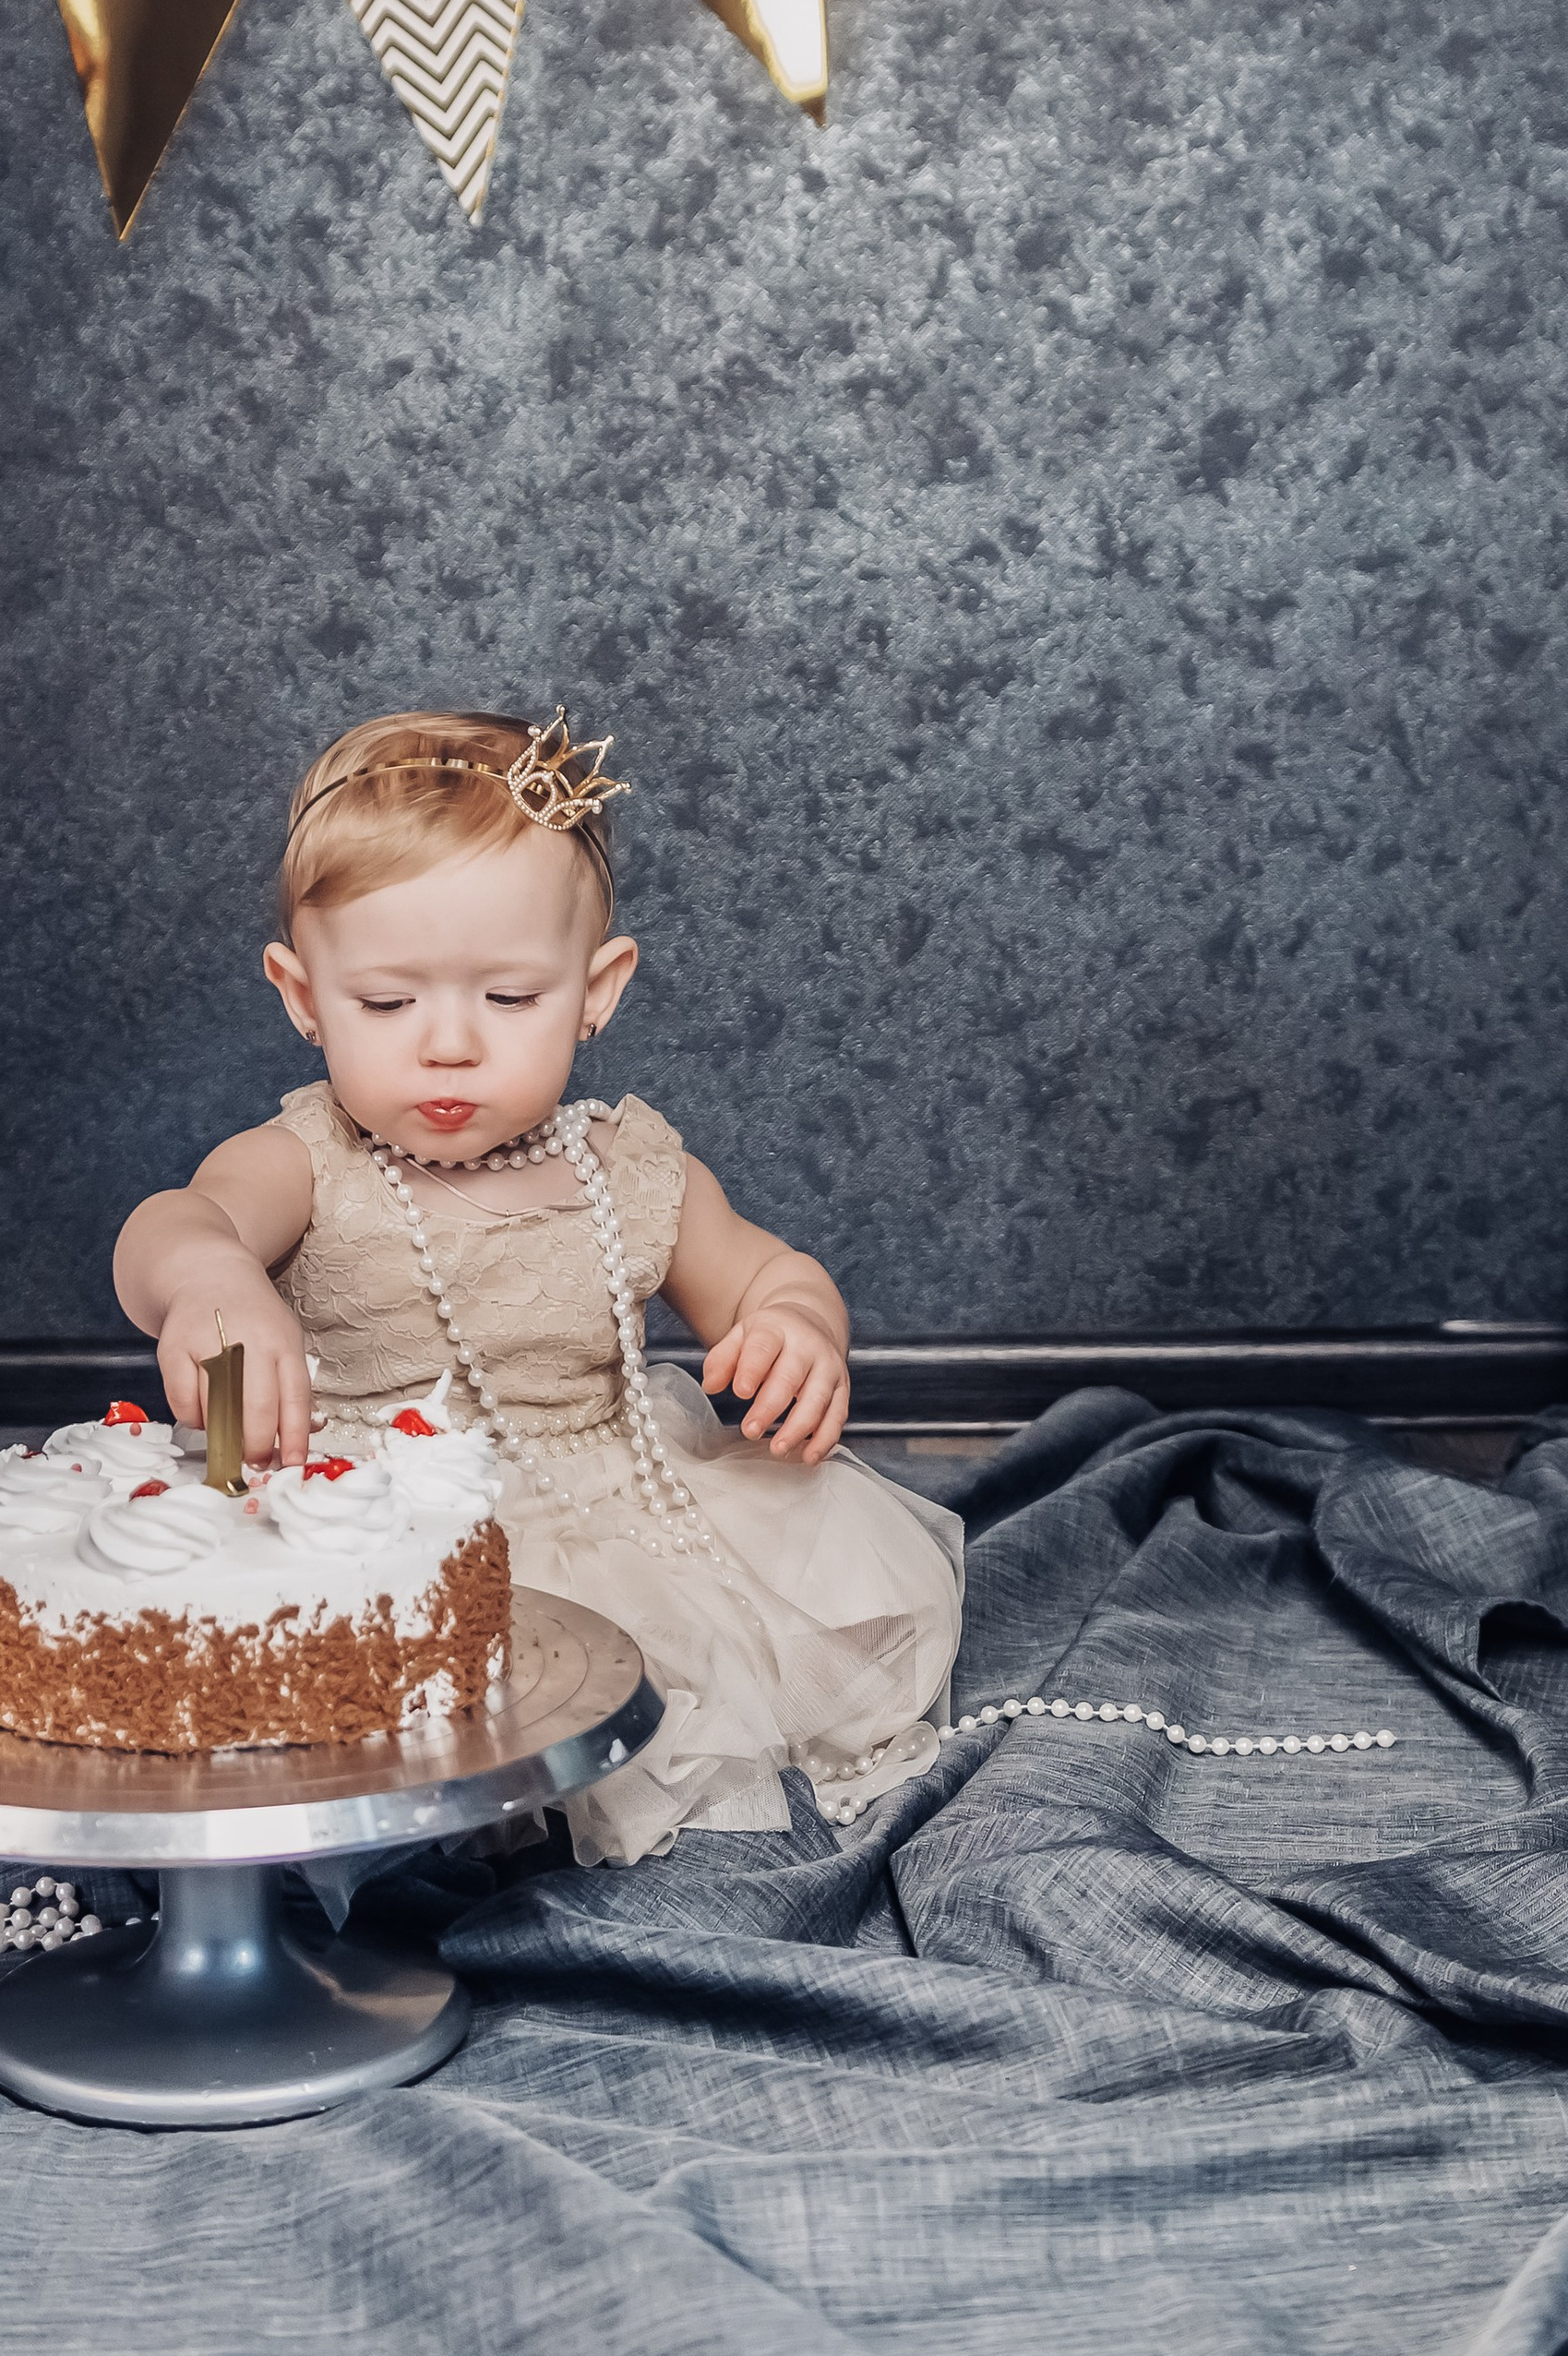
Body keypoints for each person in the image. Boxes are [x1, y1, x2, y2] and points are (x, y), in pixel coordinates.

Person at [114, 705, 964, 1863]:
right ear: (303, 996)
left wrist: (794, 1321)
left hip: (606, 1513)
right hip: (368, 1522)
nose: (448, 1044)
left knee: (680, 1657)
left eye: (509, 998)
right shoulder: (306, 1161)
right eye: (385, 1002)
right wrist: (211, 1276)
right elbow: (174, 1223)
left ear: (595, 989)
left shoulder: (628, 1169)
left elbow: (762, 1270)